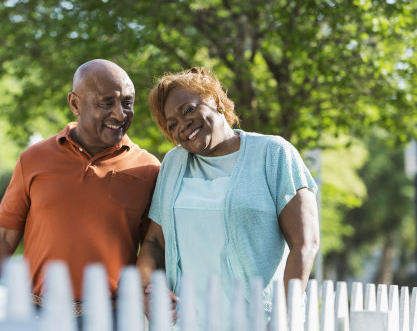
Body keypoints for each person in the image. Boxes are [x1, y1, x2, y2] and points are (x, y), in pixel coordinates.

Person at [0, 59, 160, 315]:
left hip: (113, 318)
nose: (120, 114)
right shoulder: (34, 159)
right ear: (75, 104)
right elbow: (2, 236)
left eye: (127, 102)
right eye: (106, 103)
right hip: (36, 314)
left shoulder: (149, 168)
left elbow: (154, 245)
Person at [137, 67, 319, 327]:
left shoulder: (273, 153)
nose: (182, 125)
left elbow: (306, 242)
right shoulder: (173, 163)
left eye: (188, 109)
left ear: (216, 100)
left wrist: (283, 318)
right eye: (172, 124)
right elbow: (155, 240)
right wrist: (145, 286)